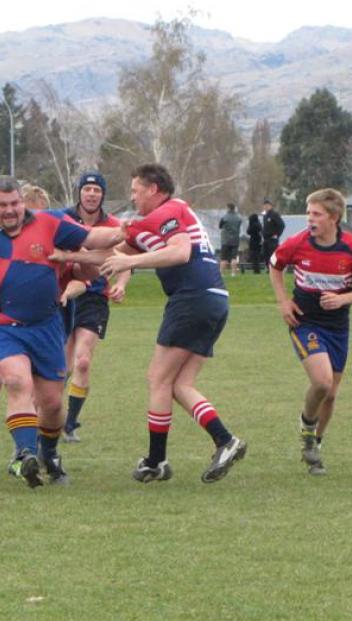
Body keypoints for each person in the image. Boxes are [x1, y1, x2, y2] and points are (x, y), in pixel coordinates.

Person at [54, 163, 247, 484]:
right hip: (214, 299)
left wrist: (131, 261)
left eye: (135, 190)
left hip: (192, 299)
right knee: (179, 384)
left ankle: (157, 461)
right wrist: (69, 258)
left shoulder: (167, 212)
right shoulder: (158, 220)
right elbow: (111, 254)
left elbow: (181, 252)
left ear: (153, 189)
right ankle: (225, 441)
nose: (132, 197)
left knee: (158, 379)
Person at [0, 175, 122, 487]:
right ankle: (25, 455)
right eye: (2, 205)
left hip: (46, 328)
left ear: (22, 202)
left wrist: (128, 231)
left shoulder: (51, 225)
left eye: (15, 203)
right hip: (1, 329)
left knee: (52, 403)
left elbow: (94, 240)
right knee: (17, 384)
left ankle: (47, 454)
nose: (10, 210)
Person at [269, 188, 352, 475]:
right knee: (322, 382)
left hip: (337, 327)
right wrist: (283, 301)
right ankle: (306, 425)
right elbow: (275, 265)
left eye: (316, 214)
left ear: (334, 217)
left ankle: (314, 444)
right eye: (308, 213)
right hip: (304, 321)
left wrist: (343, 299)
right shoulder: (297, 243)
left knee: (330, 395)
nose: (310, 219)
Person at [60, 172, 130, 443]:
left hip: (94, 296)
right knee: (61, 363)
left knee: (84, 360)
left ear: (103, 195)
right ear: (79, 192)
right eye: (87, 189)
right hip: (64, 293)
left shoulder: (113, 226)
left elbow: (123, 260)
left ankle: (69, 423)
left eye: (96, 190)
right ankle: (48, 413)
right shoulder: (63, 219)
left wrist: (121, 283)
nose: (91, 194)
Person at [218, 202, 243, 277]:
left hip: (225, 240)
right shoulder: (238, 218)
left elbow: (220, 226)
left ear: (228, 208)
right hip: (235, 239)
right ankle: (233, 273)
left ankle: (222, 273)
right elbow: (239, 225)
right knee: (234, 257)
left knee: (224, 258)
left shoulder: (224, 217)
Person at [261, 199, 285, 266]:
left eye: (267, 205)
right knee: (265, 254)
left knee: (272, 254)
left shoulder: (274, 214)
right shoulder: (265, 215)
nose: (266, 207)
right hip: (265, 239)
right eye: (264, 206)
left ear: (271, 206)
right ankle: (268, 268)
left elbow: (281, 225)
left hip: (272, 239)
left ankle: (273, 267)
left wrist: (277, 235)